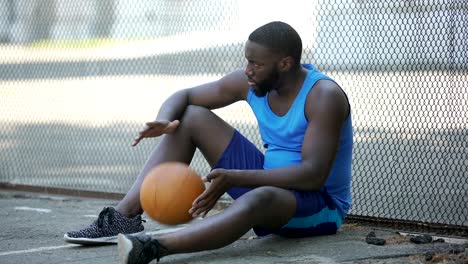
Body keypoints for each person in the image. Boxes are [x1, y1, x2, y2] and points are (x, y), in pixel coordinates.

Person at [64, 21, 353, 263]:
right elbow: (186, 96)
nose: (248, 70)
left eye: (256, 63)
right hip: (267, 182)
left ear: (286, 63)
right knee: (190, 116)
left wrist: (237, 178)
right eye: (247, 60)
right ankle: (123, 218)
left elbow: (312, 176)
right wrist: (166, 120)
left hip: (318, 206)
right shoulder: (253, 82)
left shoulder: (323, 96)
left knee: (259, 196)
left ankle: (153, 248)